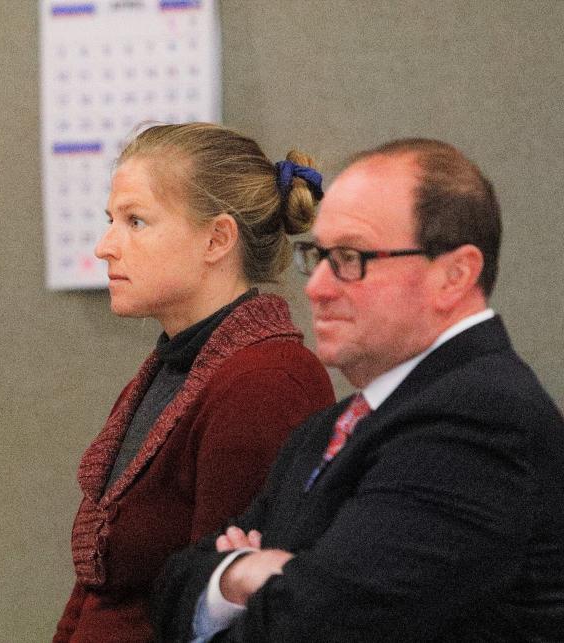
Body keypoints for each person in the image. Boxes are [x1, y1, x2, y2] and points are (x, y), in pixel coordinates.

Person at [153, 138, 564, 641]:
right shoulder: (326, 429)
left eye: (349, 257)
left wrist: (275, 581)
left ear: (454, 275)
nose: (316, 287)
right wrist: (239, 575)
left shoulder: (479, 421)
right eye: (316, 256)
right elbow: (173, 589)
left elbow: (317, 625)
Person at [52, 123, 336, 642]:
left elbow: (222, 612)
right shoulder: (177, 364)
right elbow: (101, 587)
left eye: (136, 221)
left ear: (217, 238)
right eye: (110, 220)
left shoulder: (266, 386)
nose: (104, 247)